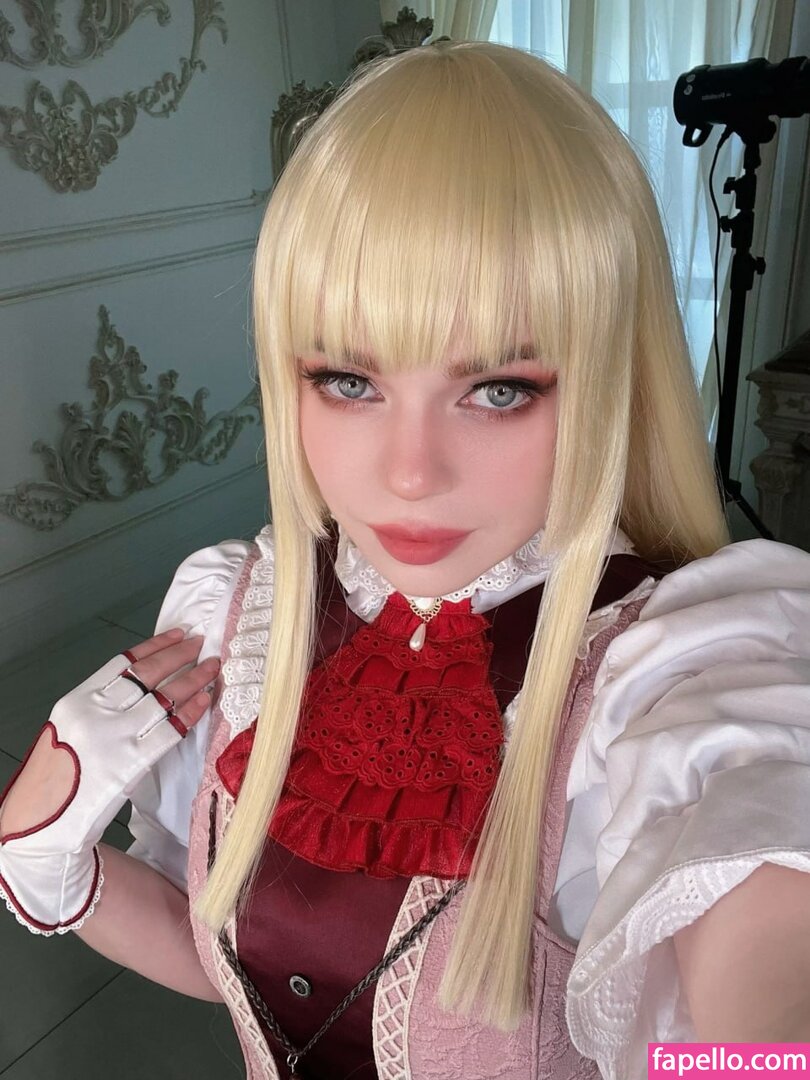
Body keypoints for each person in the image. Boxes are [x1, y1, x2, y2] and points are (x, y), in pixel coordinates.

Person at [1, 39, 809, 1080]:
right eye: (348, 381)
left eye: (500, 390)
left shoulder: (669, 673)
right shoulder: (237, 615)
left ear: (608, 383)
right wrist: (44, 861)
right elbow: (232, 968)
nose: (411, 473)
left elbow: (762, 936)